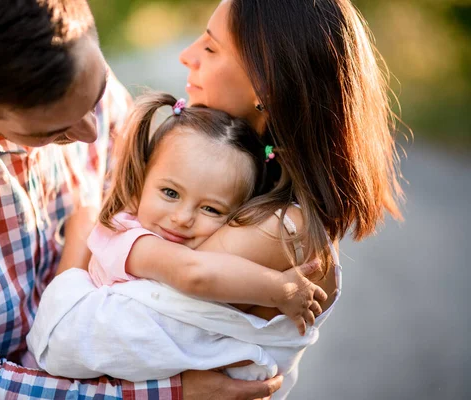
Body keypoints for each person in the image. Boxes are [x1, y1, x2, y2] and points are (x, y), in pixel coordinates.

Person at [0, 0, 284, 399]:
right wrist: (170, 393)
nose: (92, 132)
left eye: (96, 95)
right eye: (53, 133)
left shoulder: (69, 70)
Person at [26, 0, 405, 398]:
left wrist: (82, 235)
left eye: (209, 48)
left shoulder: (281, 230)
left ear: (267, 83)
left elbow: (68, 336)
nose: (186, 56)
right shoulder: (254, 191)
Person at [27, 91, 330, 382]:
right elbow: (192, 273)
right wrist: (279, 290)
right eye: (170, 193)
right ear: (142, 180)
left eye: (211, 209)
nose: (182, 218)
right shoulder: (124, 236)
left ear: (237, 216)